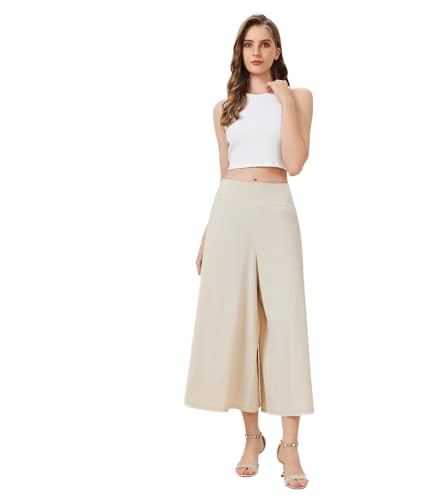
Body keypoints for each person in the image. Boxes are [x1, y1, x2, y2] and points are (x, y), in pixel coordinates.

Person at [184, 14, 314, 490]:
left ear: (277, 51)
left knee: (287, 324)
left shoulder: (298, 97)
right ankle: (252, 437)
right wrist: (208, 233)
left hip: (276, 207)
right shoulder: (224, 108)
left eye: (265, 44)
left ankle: (290, 445)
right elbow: (225, 172)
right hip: (230, 212)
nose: (256, 52)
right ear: (240, 52)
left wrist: (285, 101)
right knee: (241, 324)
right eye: (248, 44)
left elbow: (295, 163)